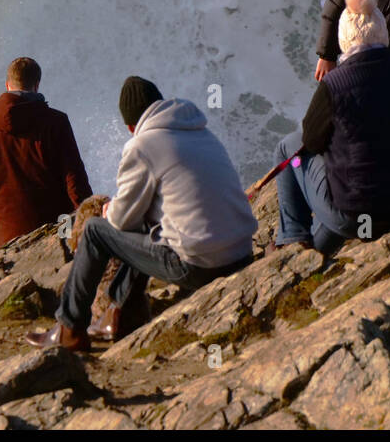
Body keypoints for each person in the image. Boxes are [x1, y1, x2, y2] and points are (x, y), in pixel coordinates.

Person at [27, 76, 258, 349]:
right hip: (241, 255)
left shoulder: (143, 145)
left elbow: (121, 220)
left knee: (94, 231)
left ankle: (69, 327)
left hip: (201, 264)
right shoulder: (201, 132)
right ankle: (120, 314)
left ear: (130, 125)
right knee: (148, 222)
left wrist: (110, 209)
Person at [274, 0, 390, 256]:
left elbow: (310, 142)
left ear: (343, 40)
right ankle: (316, 254)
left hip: (357, 214)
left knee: (289, 150)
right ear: (383, 33)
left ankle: (292, 238)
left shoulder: (335, 84)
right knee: (353, 183)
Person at [0, 57, 91, 248]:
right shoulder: (56, 121)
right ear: (37, 85)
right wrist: (88, 223)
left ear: (7, 85)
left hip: (7, 238)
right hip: (56, 236)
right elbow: (75, 180)